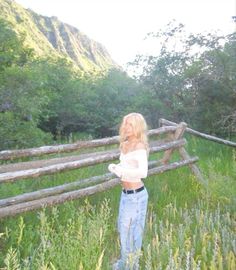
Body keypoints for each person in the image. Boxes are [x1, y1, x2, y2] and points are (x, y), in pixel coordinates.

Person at [108, 112, 149, 270]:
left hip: (136, 197)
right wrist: (117, 168)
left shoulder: (139, 145)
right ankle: (126, 264)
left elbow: (142, 172)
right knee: (123, 231)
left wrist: (119, 171)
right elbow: (127, 166)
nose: (126, 127)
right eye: (125, 123)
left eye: (130, 124)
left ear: (138, 127)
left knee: (132, 235)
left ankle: (131, 266)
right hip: (125, 195)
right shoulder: (125, 143)